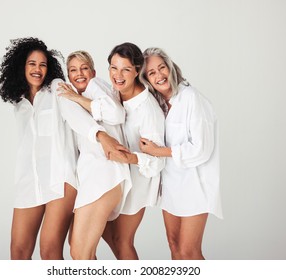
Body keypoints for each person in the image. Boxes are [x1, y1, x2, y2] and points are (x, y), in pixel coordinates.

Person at [0, 37, 125, 260]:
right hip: (29, 182)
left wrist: (100, 135)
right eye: (32, 64)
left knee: (49, 250)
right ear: (21, 66)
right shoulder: (19, 103)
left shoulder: (56, 88)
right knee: (18, 252)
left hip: (61, 180)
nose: (38, 69)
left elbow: (76, 116)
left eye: (43, 64)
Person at [139, 47, 223, 260]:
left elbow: (201, 149)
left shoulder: (191, 97)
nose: (159, 75)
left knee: (189, 251)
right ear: (146, 79)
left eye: (162, 68)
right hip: (171, 186)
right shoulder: (158, 104)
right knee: (174, 246)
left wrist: (157, 151)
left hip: (195, 186)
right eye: (152, 73)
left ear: (171, 68)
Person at [56, 50, 131, 260]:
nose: (79, 74)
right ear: (68, 75)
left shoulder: (95, 86)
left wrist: (74, 98)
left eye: (84, 68)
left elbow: (117, 114)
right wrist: (75, 98)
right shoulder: (81, 96)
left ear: (93, 71)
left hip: (104, 174)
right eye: (73, 70)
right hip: (95, 176)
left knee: (80, 253)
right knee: (80, 250)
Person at [104, 42, 165, 259]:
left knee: (123, 240)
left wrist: (126, 157)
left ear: (137, 70)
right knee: (102, 230)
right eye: (114, 67)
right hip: (116, 177)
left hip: (139, 180)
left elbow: (157, 161)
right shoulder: (113, 92)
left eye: (125, 69)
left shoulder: (148, 109)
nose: (117, 75)